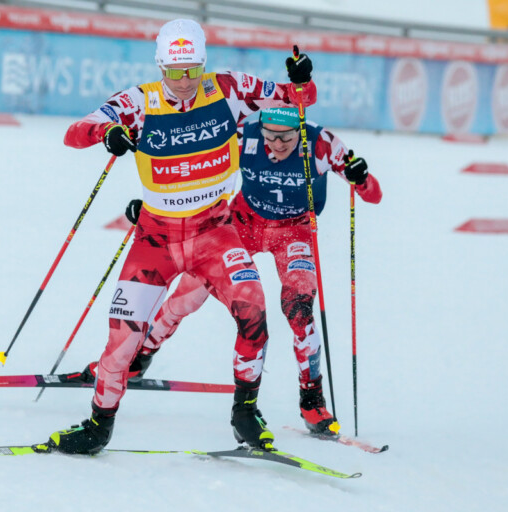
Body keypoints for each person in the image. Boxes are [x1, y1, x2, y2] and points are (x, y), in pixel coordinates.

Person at [43, 19, 318, 455]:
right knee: (122, 341)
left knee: (254, 316)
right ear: (161, 67)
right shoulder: (142, 100)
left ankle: (245, 413)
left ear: (203, 64)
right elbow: (75, 132)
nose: (185, 80)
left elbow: (294, 102)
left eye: (192, 69)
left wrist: (301, 82)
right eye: (175, 71)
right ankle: (99, 425)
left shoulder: (226, 89)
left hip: (215, 233)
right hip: (156, 240)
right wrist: (107, 132)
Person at [121, 106, 383, 436]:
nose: (276, 145)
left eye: (286, 137)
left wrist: (361, 178)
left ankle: (312, 399)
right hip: (241, 224)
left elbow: (373, 195)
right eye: (270, 136)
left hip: (293, 231)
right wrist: (152, 209)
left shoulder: (321, 144)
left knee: (299, 307)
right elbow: (192, 170)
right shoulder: (243, 135)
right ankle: (143, 354)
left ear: (299, 132)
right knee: (189, 295)